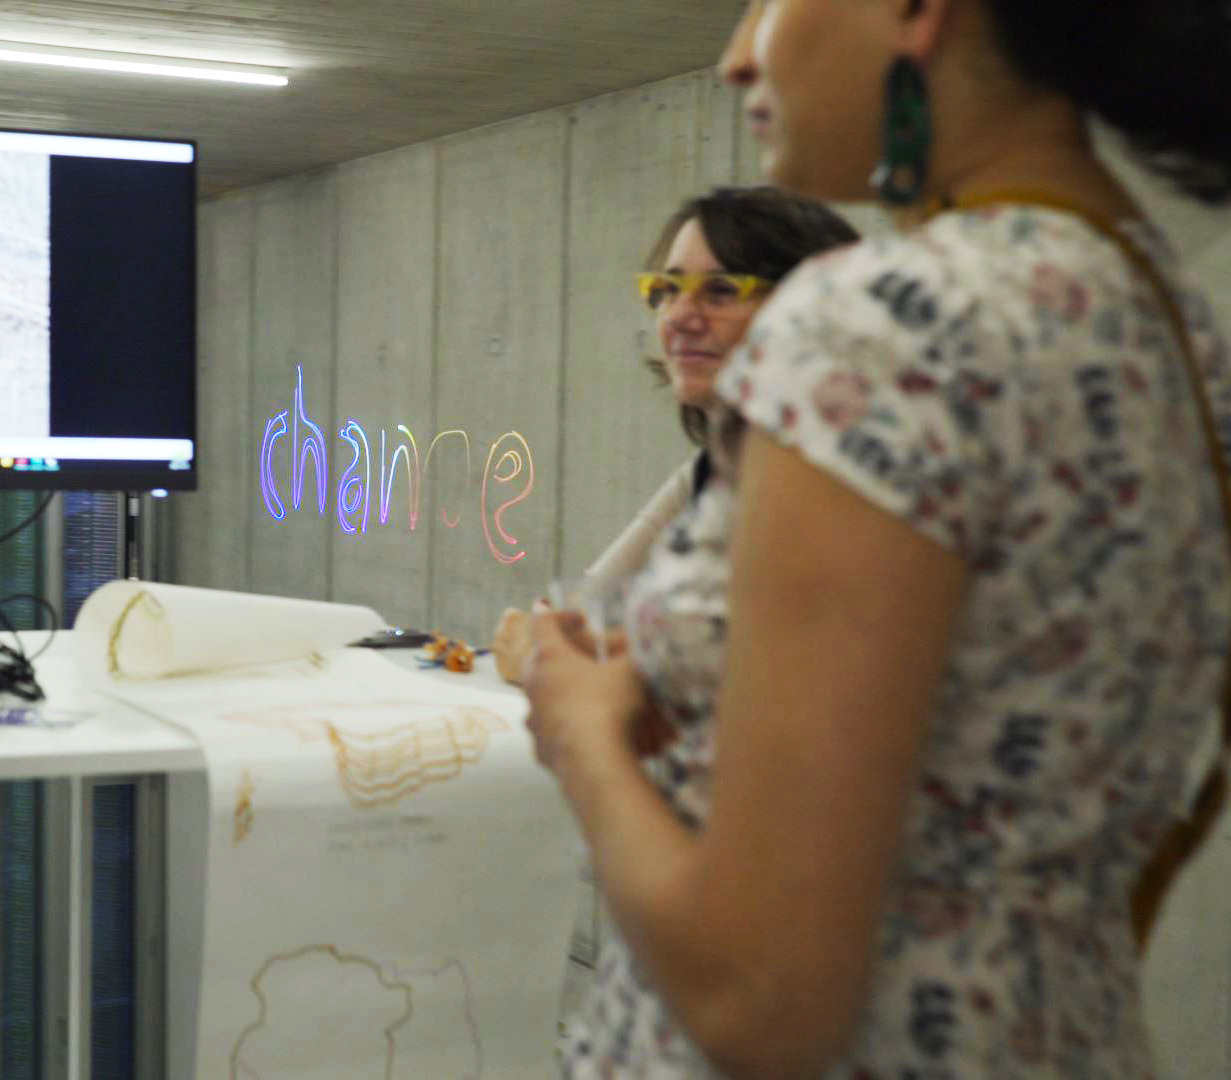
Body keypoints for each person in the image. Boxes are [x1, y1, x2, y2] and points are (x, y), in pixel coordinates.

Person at [523, 0, 1231, 1075]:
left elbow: (764, 1001)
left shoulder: (883, 321)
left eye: (770, 2)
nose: (736, 56)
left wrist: (577, 728)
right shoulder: (1170, 324)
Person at [492, 187, 858, 685]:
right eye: (668, 290)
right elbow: (580, 615)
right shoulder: (713, 472)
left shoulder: (849, 488)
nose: (680, 317)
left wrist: (559, 658)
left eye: (722, 290)